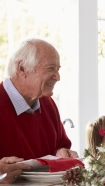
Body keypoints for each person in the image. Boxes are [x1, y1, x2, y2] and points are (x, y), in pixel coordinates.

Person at [0, 38, 78, 169]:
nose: (58, 77)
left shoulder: (48, 104)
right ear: (22, 68)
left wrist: (60, 153)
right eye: (50, 68)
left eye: (58, 69)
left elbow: (60, 145)